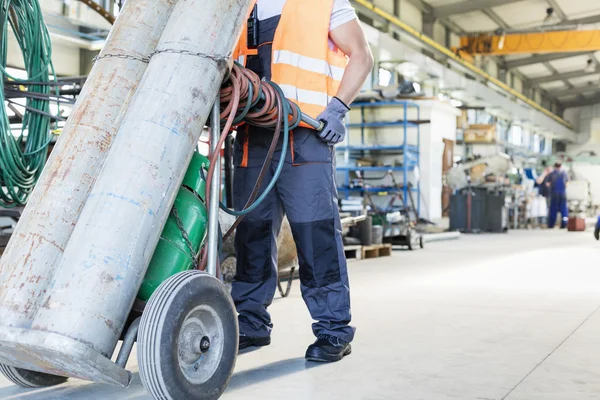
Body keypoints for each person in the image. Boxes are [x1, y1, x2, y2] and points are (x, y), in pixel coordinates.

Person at [231, 0, 373, 362]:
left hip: (306, 135)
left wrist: (339, 107)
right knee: (253, 233)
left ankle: (333, 330)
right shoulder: (239, 8)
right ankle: (250, 323)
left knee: (315, 234)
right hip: (252, 137)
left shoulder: (325, 2)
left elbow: (361, 55)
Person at [546, 162, 569, 229]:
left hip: (554, 194)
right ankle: (564, 224)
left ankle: (551, 225)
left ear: (555, 166)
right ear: (561, 166)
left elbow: (547, 184)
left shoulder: (551, 174)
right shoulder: (564, 174)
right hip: (562, 195)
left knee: (553, 210)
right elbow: (566, 184)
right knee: (564, 210)